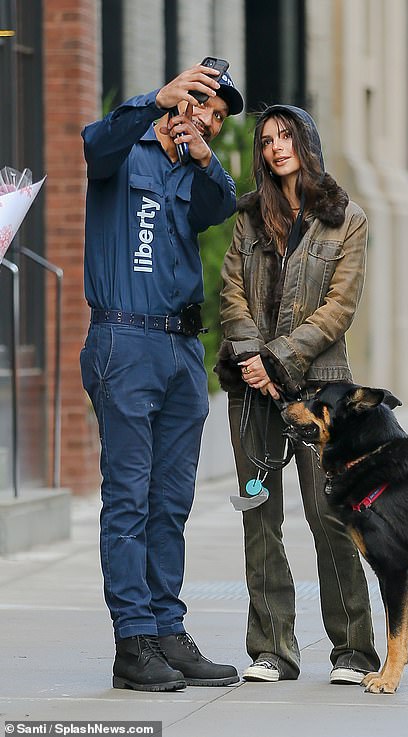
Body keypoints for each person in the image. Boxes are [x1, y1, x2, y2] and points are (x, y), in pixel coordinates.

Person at [80, 61, 245, 691]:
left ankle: (168, 631)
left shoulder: (194, 166)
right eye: (202, 102)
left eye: (220, 115)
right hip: (126, 340)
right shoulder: (126, 147)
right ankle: (133, 642)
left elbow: (223, 204)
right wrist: (155, 101)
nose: (209, 116)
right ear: (179, 98)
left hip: (180, 352)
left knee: (170, 501)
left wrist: (203, 157)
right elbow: (93, 145)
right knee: (129, 498)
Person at [215, 104, 380, 684]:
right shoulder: (249, 219)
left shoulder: (346, 218)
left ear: (306, 143)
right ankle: (272, 649)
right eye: (266, 141)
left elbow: (340, 307)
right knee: (259, 515)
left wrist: (278, 360)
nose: (275, 147)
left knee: (328, 512)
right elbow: (232, 291)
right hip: (251, 389)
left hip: (319, 390)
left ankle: (354, 650)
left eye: (286, 136)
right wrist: (251, 359)